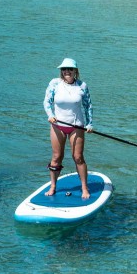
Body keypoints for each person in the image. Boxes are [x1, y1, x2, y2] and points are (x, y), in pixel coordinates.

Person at [43, 57, 93, 199]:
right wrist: (50, 115)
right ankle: (53, 186)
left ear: (75, 71)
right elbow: (47, 101)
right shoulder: (54, 83)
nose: (67, 71)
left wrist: (89, 124)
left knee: (78, 157)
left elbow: (88, 105)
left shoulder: (82, 86)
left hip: (76, 126)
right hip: (57, 125)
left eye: (70, 69)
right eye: (64, 69)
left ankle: (84, 187)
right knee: (56, 157)